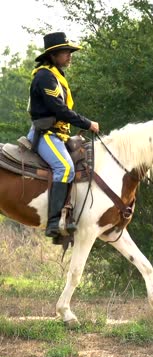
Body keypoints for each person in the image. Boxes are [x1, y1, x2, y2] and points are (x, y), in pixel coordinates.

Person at [27, 32, 99, 241]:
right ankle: (53, 222)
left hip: (59, 135)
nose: (70, 55)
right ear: (53, 55)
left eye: (69, 52)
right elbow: (59, 110)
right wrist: (88, 123)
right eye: (65, 52)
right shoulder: (44, 77)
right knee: (64, 167)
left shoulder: (56, 76)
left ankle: (69, 214)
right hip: (46, 135)